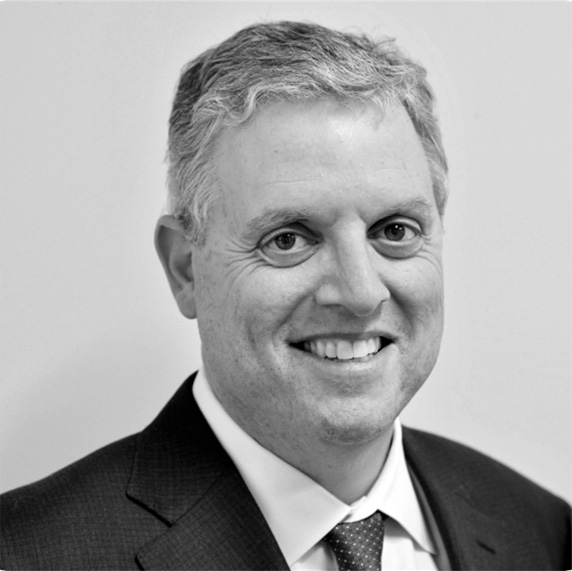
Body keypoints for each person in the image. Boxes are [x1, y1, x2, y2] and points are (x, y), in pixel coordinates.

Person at [1, 20, 570, 571]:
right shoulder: (25, 555)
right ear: (185, 269)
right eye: (289, 239)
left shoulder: (542, 533)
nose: (359, 293)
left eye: (394, 230)